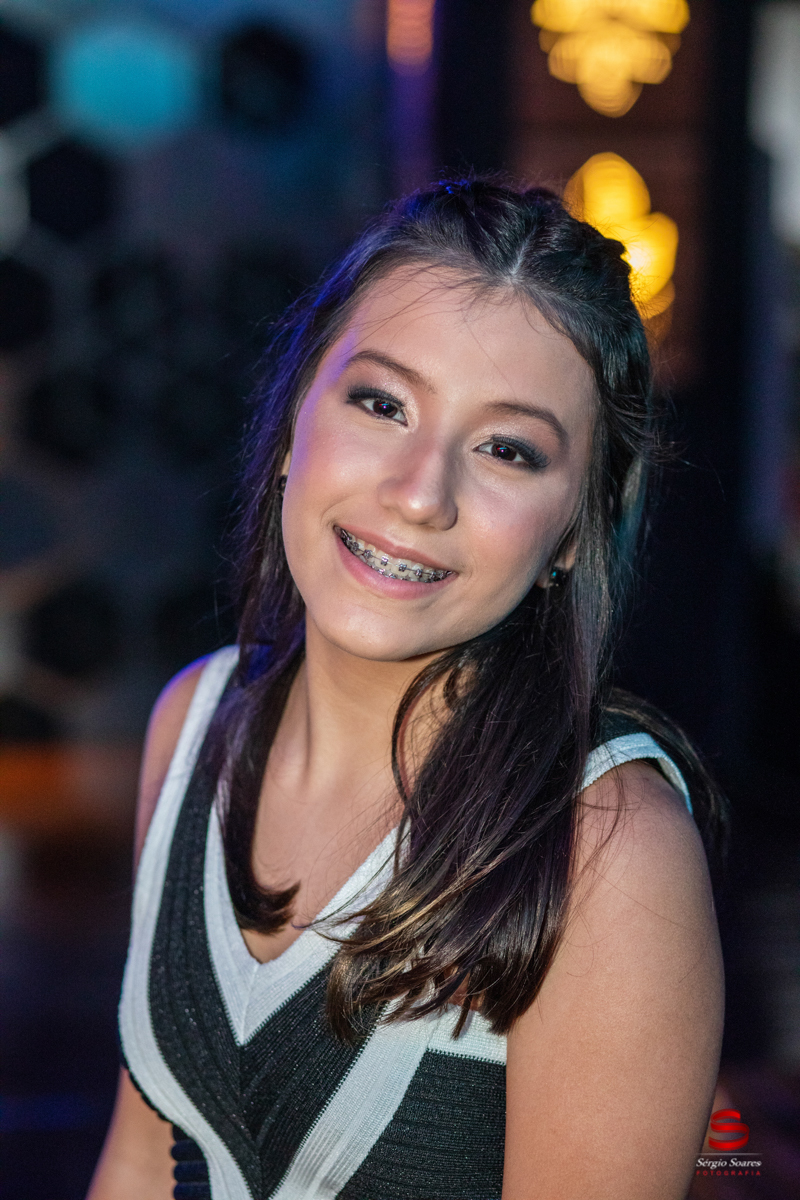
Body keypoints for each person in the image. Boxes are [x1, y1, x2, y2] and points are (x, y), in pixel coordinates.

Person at [88, 177, 727, 1200]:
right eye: (381, 404)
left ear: (573, 531)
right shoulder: (195, 724)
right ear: (294, 424)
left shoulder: (606, 855)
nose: (421, 494)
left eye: (506, 450)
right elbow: (139, 1162)